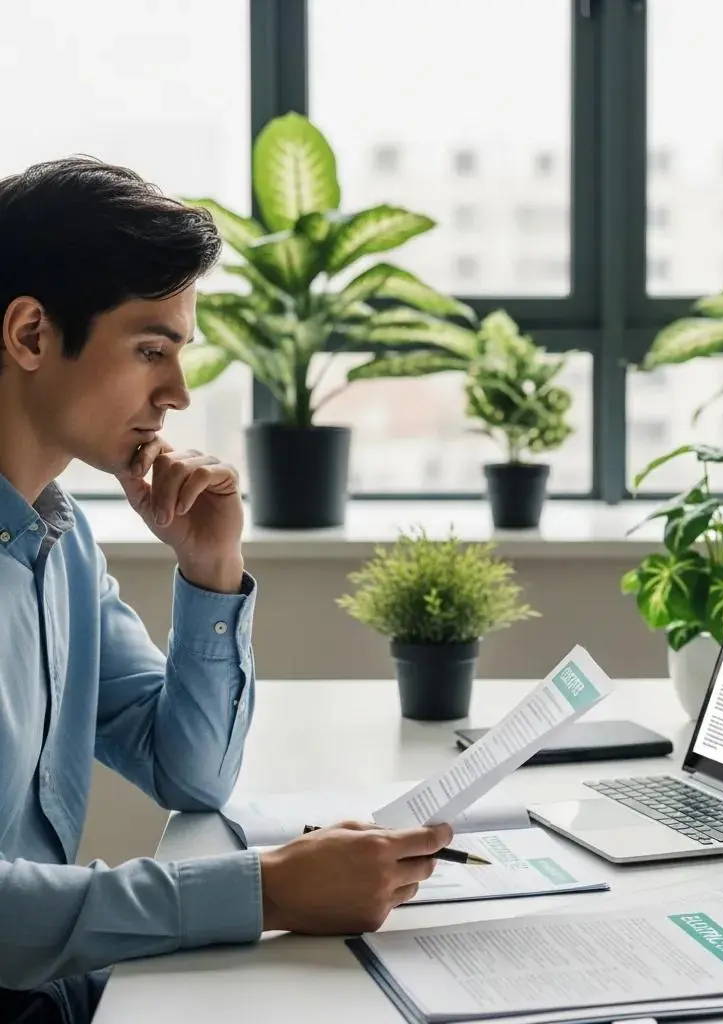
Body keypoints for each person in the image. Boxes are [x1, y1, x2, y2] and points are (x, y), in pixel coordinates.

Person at [0, 157, 453, 1024]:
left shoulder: (63, 542)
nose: (176, 393)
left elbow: (190, 774)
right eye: (150, 350)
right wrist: (267, 891)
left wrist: (210, 566)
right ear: (30, 335)